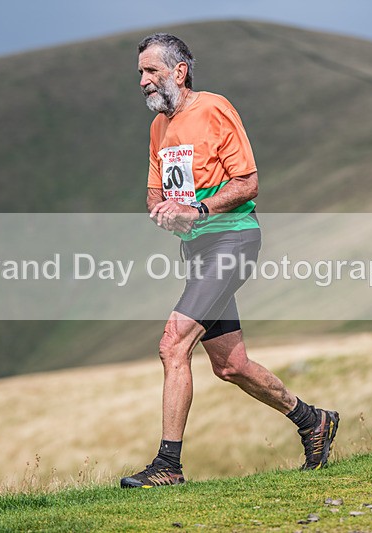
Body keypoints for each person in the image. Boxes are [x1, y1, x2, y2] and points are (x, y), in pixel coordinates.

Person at [120, 33, 339, 489]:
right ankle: (313, 421)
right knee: (230, 365)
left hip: (233, 241)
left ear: (178, 71)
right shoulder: (158, 127)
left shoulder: (214, 108)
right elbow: (154, 193)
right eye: (140, 72)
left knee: (172, 344)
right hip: (198, 250)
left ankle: (168, 466)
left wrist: (198, 210)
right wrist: (165, 213)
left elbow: (248, 182)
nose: (142, 81)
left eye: (150, 71)